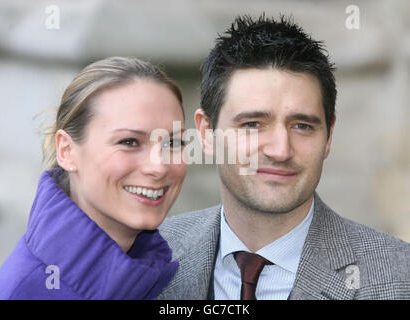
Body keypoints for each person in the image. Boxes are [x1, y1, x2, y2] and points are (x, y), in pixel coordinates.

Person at [157, 15, 410, 300]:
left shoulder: (400, 279)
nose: (280, 150)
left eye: (302, 126)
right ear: (205, 133)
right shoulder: (147, 256)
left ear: (328, 136)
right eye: (252, 124)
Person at [0, 57, 187, 299]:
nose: (159, 167)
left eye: (173, 143)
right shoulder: (26, 291)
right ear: (66, 151)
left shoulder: (167, 273)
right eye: (129, 142)